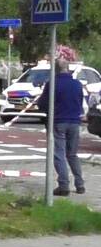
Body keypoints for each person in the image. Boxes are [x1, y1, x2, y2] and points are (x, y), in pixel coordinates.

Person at [39, 59, 86, 196]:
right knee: (72, 154)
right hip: (75, 122)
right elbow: (80, 101)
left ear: (55, 70)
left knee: (59, 154)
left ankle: (64, 186)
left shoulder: (52, 84)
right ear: (68, 68)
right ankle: (80, 184)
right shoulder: (77, 84)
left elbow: (43, 103)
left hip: (58, 121)